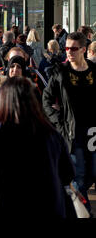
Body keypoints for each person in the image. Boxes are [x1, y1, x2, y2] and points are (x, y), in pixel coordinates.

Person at [0, 77, 75, 218]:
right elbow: (67, 174)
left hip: (7, 208)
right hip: (48, 208)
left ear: (3, 101)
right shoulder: (50, 134)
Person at [43, 31, 96, 215]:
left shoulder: (94, 71)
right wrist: (59, 123)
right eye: (66, 48)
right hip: (73, 134)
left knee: (91, 174)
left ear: (83, 49)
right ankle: (81, 211)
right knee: (79, 176)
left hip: (93, 133)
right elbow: (46, 100)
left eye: (73, 49)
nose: (69, 52)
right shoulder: (61, 72)